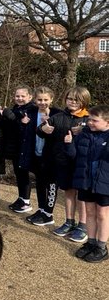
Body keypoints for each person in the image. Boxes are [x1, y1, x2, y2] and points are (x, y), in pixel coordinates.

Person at [67, 106, 109, 263]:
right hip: (86, 180)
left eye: (94, 120)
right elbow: (73, 154)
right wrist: (69, 143)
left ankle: (101, 247)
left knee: (102, 215)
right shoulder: (84, 134)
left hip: (104, 183)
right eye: (89, 119)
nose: (89, 122)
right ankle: (91, 242)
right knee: (90, 212)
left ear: (107, 122)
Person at [50, 86, 91, 243]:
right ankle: (69, 222)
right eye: (70, 99)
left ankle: (83, 225)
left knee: (81, 195)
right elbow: (44, 129)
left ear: (83, 101)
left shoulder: (88, 118)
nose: (72, 102)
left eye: (76, 100)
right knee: (68, 192)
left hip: (81, 163)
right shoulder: (61, 115)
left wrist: (83, 131)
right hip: (64, 161)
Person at [24, 86, 64, 227]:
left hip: (52, 156)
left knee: (51, 185)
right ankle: (41, 209)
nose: (42, 102)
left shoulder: (58, 114)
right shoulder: (30, 113)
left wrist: (52, 128)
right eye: (39, 99)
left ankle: (48, 214)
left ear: (51, 99)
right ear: (34, 100)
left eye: (46, 99)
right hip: (36, 154)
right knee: (40, 183)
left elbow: (62, 133)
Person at [1, 84, 35, 212]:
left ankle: (26, 201)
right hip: (15, 148)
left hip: (25, 148)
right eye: (17, 96)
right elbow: (10, 128)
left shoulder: (32, 110)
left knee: (24, 174)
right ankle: (21, 198)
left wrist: (14, 119)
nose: (19, 98)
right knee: (19, 173)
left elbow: (24, 129)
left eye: (22, 96)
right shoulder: (16, 108)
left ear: (30, 96)